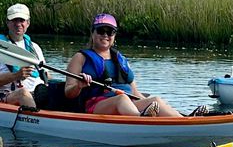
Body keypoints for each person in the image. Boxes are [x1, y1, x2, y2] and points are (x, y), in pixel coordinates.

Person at [62, 13, 200, 117]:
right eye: (101, 31)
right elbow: (69, 93)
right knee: (121, 99)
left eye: (109, 32)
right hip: (95, 105)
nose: (105, 35)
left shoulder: (120, 59)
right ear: (93, 33)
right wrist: (78, 86)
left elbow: (134, 92)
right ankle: (141, 120)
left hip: (127, 104)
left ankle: (185, 120)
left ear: (114, 36)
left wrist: (152, 104)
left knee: (155, 99)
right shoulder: (80, 58)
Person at [0, 3, 48, 109]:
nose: (18, 24)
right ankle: (41, 120)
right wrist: (16, 76)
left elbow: (46, 75)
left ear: (28, 23)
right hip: (8, 95)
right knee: (23, 93)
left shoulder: (35, 48)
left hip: (37, 93)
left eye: (22, 20)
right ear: (7, 22)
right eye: (14, 20)